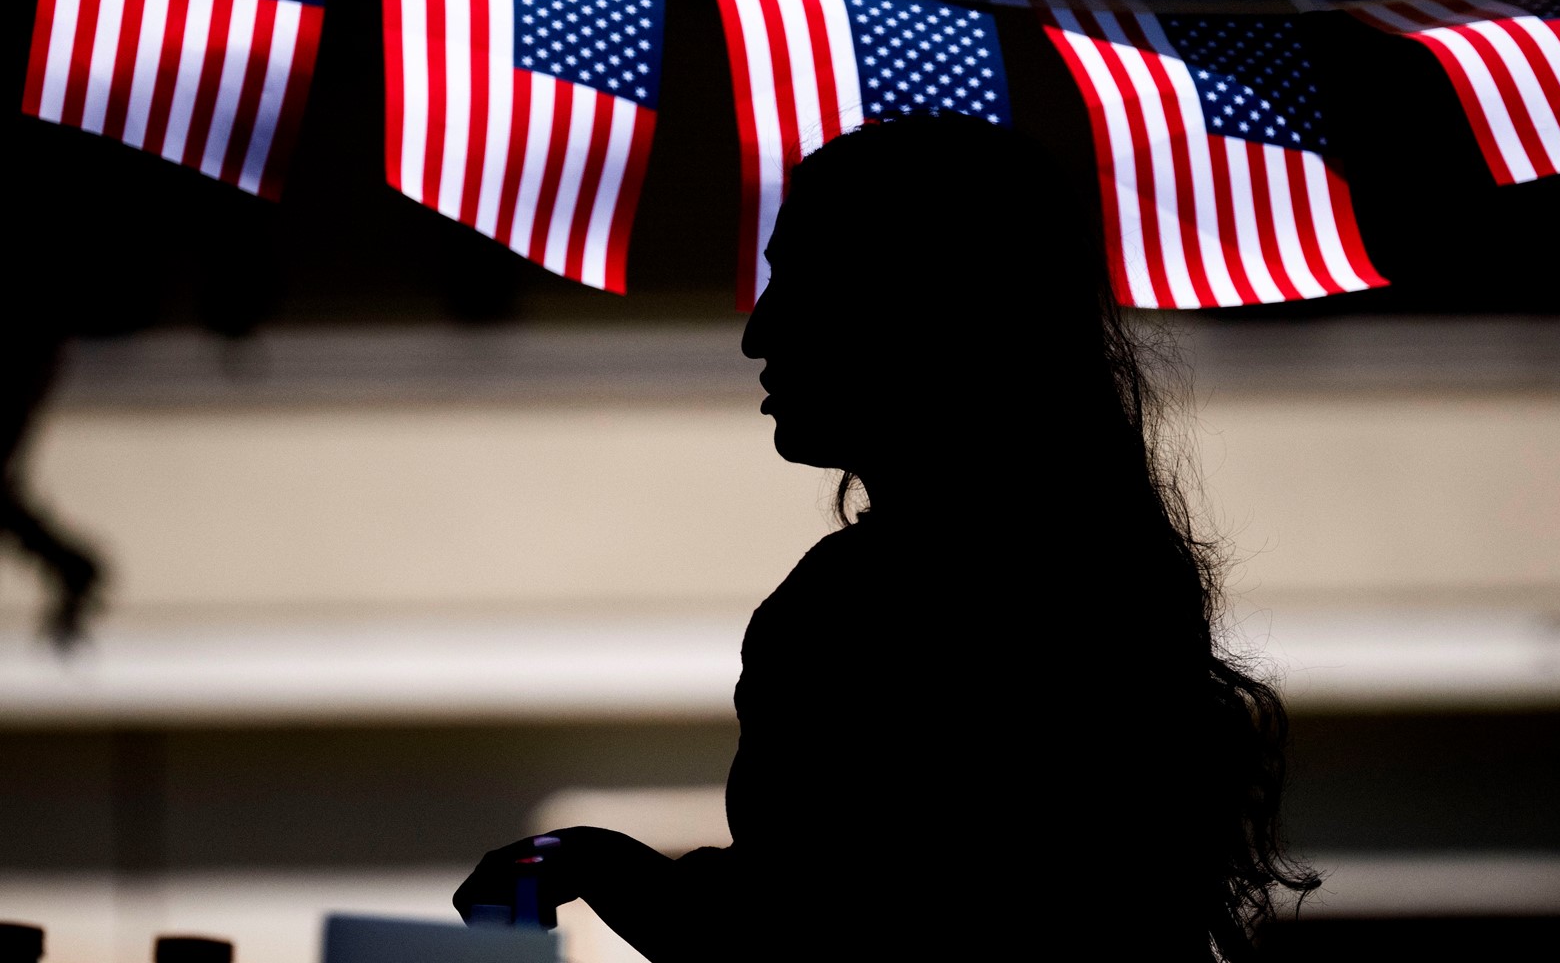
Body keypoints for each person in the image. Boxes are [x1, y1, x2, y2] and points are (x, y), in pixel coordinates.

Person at [453, 113, 1319, 961]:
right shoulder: (1099, 586)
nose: (758, 332)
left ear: (919, 312)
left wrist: (605, 867)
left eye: (801, 283)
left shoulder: (874, 603)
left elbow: (825, 924)